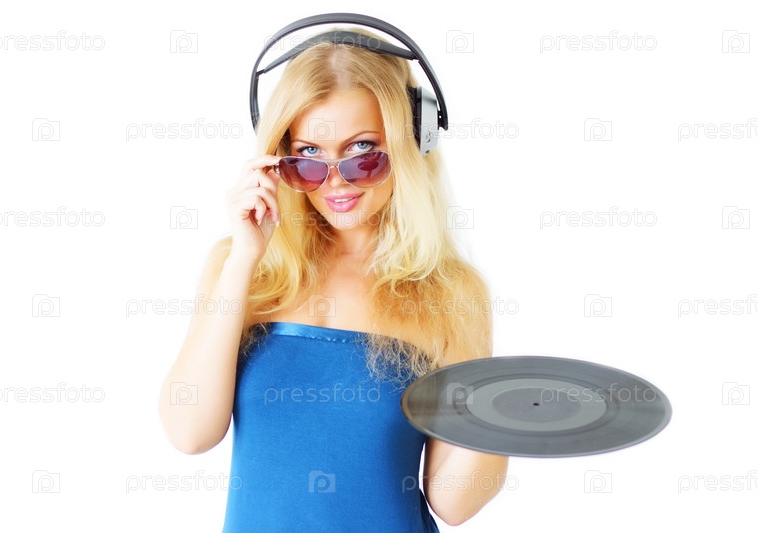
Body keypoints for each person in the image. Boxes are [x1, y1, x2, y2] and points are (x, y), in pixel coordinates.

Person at [159, 15, 508, 532]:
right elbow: (189, 432)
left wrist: (502, 412)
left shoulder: (450, 292)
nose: (336, 182)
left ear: (414, 140)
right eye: (308, 156)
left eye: (363, 151)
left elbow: (453, 504)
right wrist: (244, 259)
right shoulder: (241, 270)